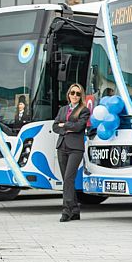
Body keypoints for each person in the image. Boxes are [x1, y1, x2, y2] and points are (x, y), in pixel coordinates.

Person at [52, 83, 90, 222]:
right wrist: (66, 127)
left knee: (69, 178)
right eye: (72, 93)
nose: (74, 95)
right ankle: (75, 210)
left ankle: (66, 211)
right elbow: (55, 126)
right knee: (66, 180)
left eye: (78, 94)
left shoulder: (84, 110)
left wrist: (65, 124)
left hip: (75, 148)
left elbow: (79, 126)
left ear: (81, 96)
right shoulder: (63, 109)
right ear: (68, 94)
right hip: (62, 146)